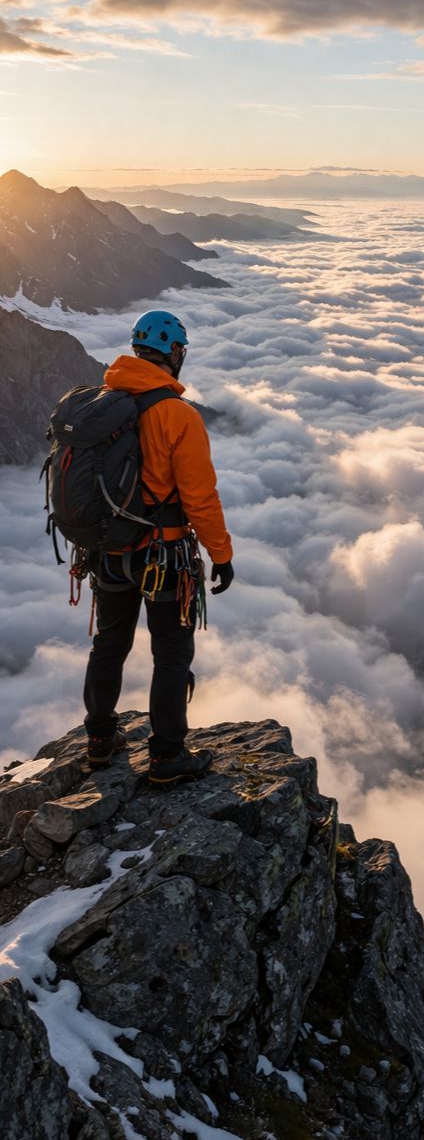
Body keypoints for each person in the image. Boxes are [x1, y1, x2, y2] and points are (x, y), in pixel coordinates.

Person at [83, 310, 234, 785]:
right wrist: (221, 554)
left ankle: (100, 741)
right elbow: (199, 497)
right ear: (174, 353)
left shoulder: (101, 404)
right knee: (170, 653)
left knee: (108, 644)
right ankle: (168, 756)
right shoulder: (176, 415)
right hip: (163, 557)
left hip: (107, 550)